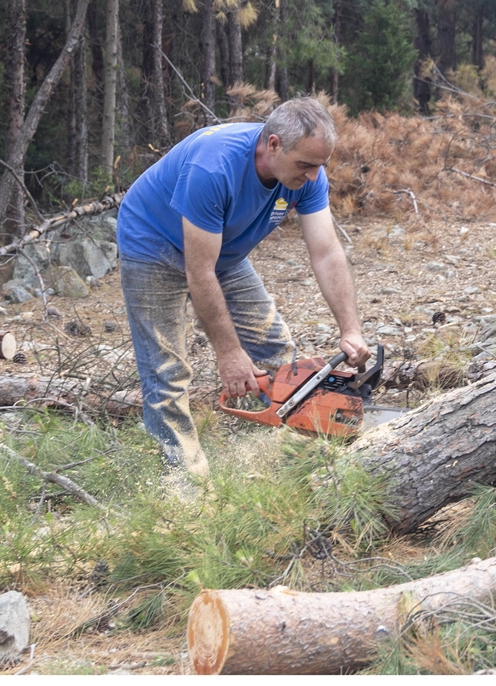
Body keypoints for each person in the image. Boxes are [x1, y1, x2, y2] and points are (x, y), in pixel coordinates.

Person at [116, 98, 369, 494]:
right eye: (304, 164)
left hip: (223, 250)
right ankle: (188, 488)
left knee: (277, 349)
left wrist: (350, 329)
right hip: (153, 245)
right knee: (167, 374)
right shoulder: (213, 167)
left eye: (320, 165)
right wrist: (230, 353)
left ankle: (284, 461)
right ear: (272, 144)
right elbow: (199, 272)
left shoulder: (309, 177)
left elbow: (326, 252)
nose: (314, 175)